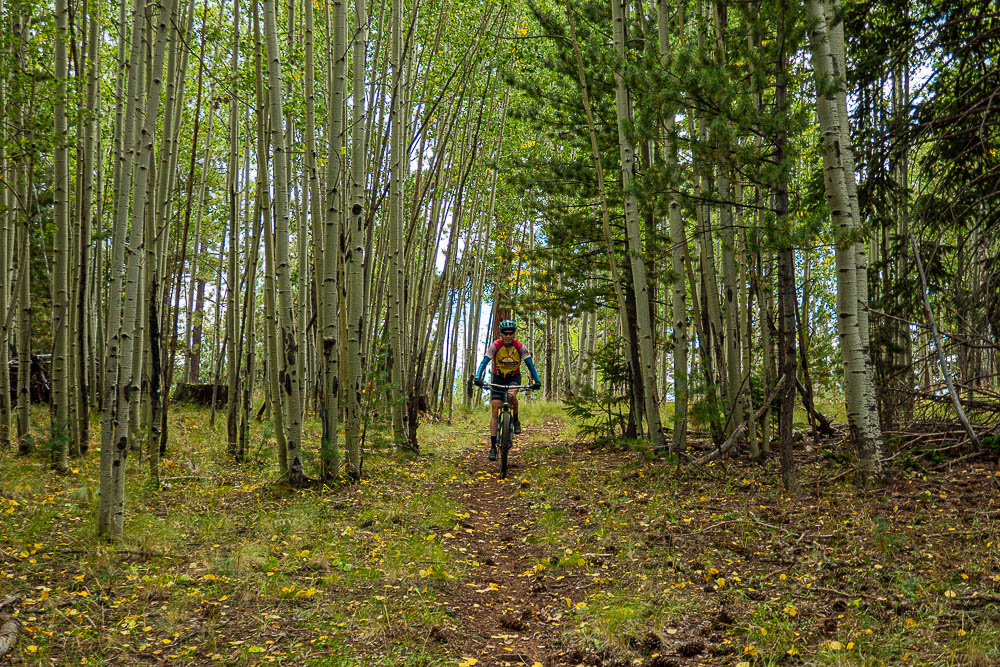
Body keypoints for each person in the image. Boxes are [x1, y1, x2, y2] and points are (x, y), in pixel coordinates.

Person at [472, 319, 542, 461]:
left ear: (514, 334)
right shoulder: (495, 346)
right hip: (498, 378)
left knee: (511, 395)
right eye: (505, 333)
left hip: (514, 378)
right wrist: (478, 377)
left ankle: (515, 419)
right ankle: (492, 446)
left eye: (511, 333)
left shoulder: (520, 347)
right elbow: (484, 362)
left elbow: (530, 365)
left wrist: (537, 381)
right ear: (501, 334)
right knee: (495, 408)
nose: (508, 336)